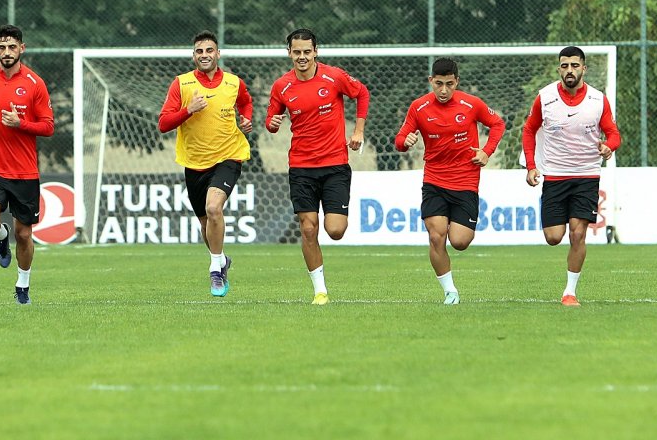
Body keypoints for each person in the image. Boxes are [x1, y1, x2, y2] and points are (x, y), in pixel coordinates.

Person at [265, 28, 369, 305]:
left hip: (335, 164)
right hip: (301, 166)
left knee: (335, 230)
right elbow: (271, 120)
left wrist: (358, 131)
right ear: (289, 53)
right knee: (308, 229)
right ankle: (320, 291)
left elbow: (362, 94)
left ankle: (334, 222)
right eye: (296, 52)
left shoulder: (334, 76)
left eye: (306, 52)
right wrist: (272, 123)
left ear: (316, 51)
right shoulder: (281, 86)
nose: (302, 57)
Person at [394, 57, 505, 305]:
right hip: (434, 180)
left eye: (450, 84)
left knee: (460, 241)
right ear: (431, 81)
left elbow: (497, 124)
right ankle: (450, 291)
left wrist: (486, 151)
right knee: (436, 236)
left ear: (457, 82)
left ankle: (451, 283)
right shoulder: (419, 107)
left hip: (465, 182)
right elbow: (400, 138)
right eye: (439, 84)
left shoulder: (471, 104)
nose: (444, 90)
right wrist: (405, 142)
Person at [157, 30, 255, 297]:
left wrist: (246, 120)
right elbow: (163, 124)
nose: (204, 55)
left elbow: (246, 103)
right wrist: (188, 110)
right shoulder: (182, 84)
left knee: (214, 209)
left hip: (229, 156)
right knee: (205, 224)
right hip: (194, 163)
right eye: (199, 52)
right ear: (193, 56)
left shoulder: (234, 83)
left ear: (218, 54)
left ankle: (215, 272)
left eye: (209, 50)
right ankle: (222, 259)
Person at [521, 46, 620, 307]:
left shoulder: (598, 100)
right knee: (554, 237)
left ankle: (570, 292)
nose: (569, 71)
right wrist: (531, 166)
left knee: (578, 235)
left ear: (584, 69)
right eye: (565, 66)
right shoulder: (545, 97)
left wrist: (609, 146)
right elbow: (529, 131)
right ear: (559, 69)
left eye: (575, 66)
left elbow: (613, 133)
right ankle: (568, 285)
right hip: (554, 176)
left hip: (587, 175)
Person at [0, 24, 54, 305]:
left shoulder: (35, 83)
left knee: (24, 235)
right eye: (2, 47)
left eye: (12, 47)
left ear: (22, 49)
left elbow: (48, 127)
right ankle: (0, 237)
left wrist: (21, 124)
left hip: (25, 171)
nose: (6, 52)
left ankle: (22, 285)